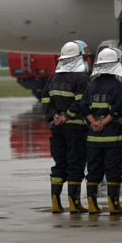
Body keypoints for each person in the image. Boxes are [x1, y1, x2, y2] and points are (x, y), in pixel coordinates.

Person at [41, 40, 90, 213]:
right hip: (75, 129)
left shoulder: (53, 79)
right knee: (75, 165)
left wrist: (54, 116)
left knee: (59, 165)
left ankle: (56, 202)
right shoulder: (81, 79)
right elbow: (81, 103)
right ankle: (74, 203)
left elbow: (45, 100)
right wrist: (68, 116)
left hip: (57, 128)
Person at [80, 47, 122, 215]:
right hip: (113, 136)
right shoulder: (118, 86)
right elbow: (117, 110)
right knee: (113, 171)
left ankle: (92, 205)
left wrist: (95, 123)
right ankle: (114, 205)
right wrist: (104, 123)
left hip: (94, 138)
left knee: (93, 171)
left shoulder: (91, 86)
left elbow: (84, 107)